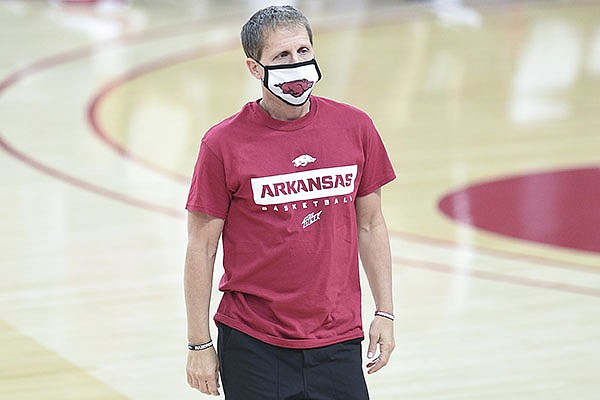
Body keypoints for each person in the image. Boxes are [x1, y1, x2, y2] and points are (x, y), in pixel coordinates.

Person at [184, 5, 396, 399]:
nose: (297, 64)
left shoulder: (356, 128)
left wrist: (385, 311)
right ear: (254, 67)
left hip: (338, 339)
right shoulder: (222, 144)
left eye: (303, 51)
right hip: (253, 344)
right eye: (282, 56)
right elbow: (201, 246)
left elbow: (371, 224)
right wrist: (199, 345)